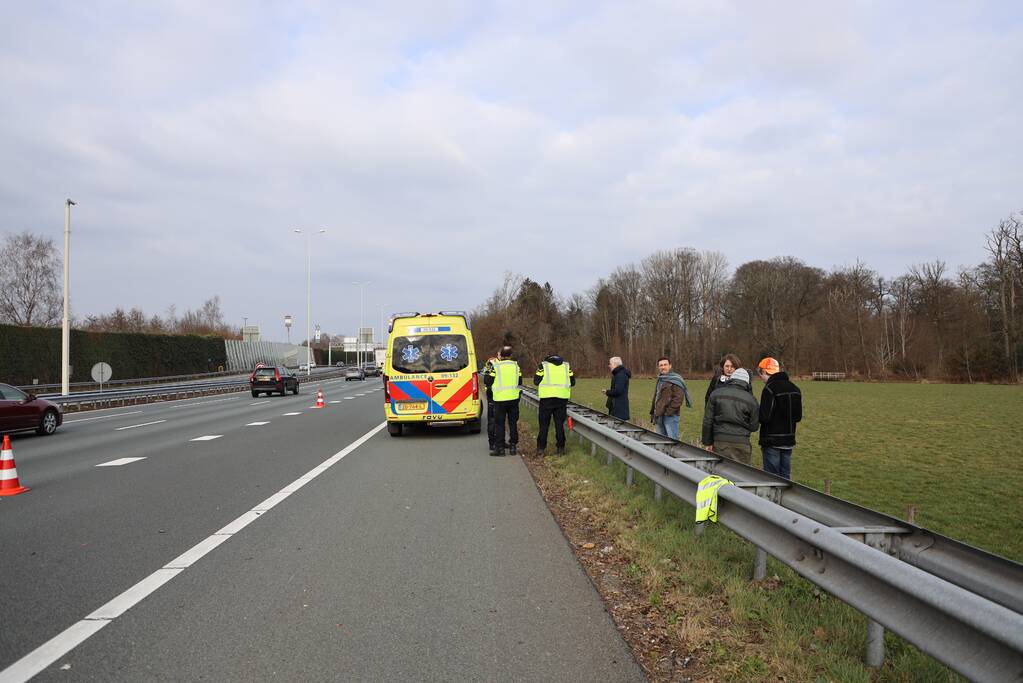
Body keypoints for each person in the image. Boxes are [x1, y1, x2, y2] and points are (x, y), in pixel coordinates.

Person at [701, 367, 760, 464]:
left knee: (720, 474)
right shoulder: (752, 400)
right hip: (742, 442)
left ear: (731, 379)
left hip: (720, 441)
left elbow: (707, 421)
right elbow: (754, 427)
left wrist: (707, 442)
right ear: (747, 382)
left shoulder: (716, 394)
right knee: (741, 475)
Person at [756, 357, 802, 479]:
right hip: (789, 441)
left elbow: (764, 417)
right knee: (785, 478)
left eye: (760, 373)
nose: (760, 378)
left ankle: (771, 499)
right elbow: (798, 417)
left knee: (772, 479)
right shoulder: (795, 389)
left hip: (771, 442)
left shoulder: (769, 389)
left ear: (764, 372)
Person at [533, 353, 575, 455]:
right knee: (559, 425)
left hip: (546, 400)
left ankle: (541, 449)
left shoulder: (543, 365)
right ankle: (561, 448)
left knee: (544, 425)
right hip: (561, 399)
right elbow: (573, 382)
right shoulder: (566, 366)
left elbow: (536, 381)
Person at [484, 346, 521, 456]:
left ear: (501, 355)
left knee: (499, 424)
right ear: (511, 355)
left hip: (499, 399)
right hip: (513, 398)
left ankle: (499, 449)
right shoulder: (516, 366)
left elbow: (487, 381)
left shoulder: (495, 366)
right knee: (512, 423)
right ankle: (513, 447)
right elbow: (520, 381)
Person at [649, 356, 692, 440]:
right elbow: (656, 397)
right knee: (660, 442)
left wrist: (668, 412)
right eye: (661, 365)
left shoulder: (676, 379)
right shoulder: (660, 379)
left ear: (670, 366)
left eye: (665, 364)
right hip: (658, 415)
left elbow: (678, 399)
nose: (663, 367)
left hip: (670, 416)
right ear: (658, 367)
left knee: (672, 442)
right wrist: (653, 412)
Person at [482, 353, 500, 453]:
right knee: (493, 420)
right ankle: (492, 443)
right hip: (492, 395)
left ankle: (499, 442)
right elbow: (487, 380)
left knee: (499, 421)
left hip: (499, 395)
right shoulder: (491, 364)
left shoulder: (499, 363)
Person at [604, 356, 631, 420]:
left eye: (610, 364)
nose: (609, 366)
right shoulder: (618, 374)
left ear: (615, 364)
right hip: (616, 408)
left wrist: (607, 392)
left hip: (619, 411)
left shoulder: (621, 375)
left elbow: (618, 391)